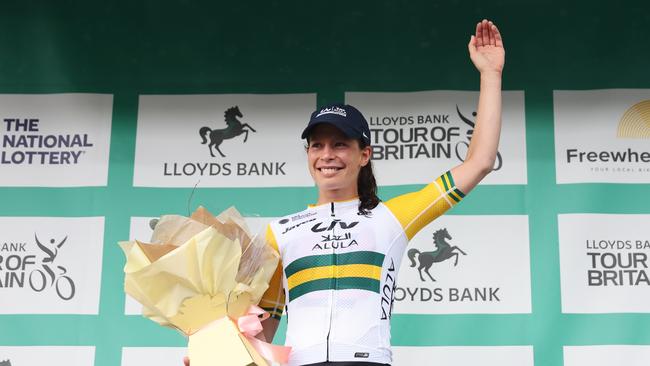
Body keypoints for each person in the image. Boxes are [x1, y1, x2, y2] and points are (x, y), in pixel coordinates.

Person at [185, 19, 504, 366]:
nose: (327, 155)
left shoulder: (392, 217)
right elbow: (264, 330)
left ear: (363, 154)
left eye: (340, 144)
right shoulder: (279, 233)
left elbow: (481, 162)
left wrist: (490, 75)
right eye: (317, 145)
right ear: (308, 154)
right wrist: (216, 358)